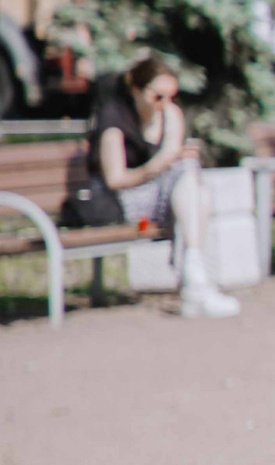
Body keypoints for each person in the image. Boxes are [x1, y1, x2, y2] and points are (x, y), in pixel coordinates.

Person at [86, 55, 238, 318]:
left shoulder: (170, 114)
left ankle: (194, 279)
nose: (165, 103)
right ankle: (194, 279)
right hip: (126, 206)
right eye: (158, 96)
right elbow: (115, 180)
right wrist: (155, 167)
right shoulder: (114, 120)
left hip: (166, 202)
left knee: (192, 183)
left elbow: (173, 161)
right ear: (136, 89)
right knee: (190, 184)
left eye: (171, 96)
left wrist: (174, 159)